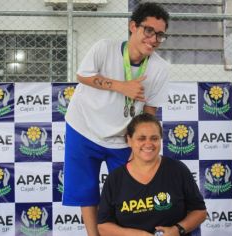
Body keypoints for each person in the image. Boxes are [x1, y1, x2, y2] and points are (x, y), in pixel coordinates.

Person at [62, 2, 170, 236]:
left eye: (160, 35)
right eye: (148, 31)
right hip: (83, 127)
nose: (153, 39)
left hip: (122, 138)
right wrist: (121, 86)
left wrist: (138, 143)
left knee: (131, 190)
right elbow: (83, 75)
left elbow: (149, 111)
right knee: (86, 189)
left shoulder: (160, 68)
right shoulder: (105, 48)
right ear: (133, 26)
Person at [98, 113, 207, 236]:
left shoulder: (177, 170)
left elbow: (200, 212)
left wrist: (177, 230)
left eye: (154, 138)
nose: (148, 144)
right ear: (129, 140)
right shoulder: (115, 179)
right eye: (141, 138)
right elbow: (103, 226)